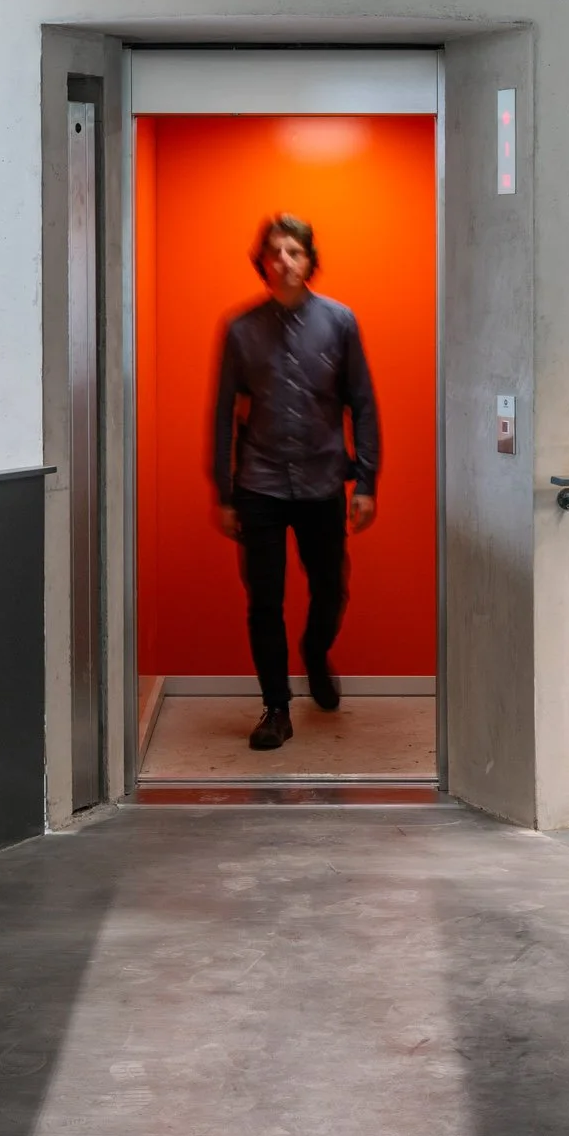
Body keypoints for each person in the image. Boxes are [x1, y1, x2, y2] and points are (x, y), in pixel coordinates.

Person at [212, 213, 380, 750]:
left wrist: (366, 481)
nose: (283, 261)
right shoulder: (241, 330)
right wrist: (224, 492)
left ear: (310, 261)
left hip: (322, 481)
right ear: (262, 261)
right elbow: (223, 413)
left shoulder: (340, 322)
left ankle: (314, 650)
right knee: (264, 600)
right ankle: (276, 708)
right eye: (275, 252)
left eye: (294, 251)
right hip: (259, 483)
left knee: (330, 588)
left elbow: (362, 403)